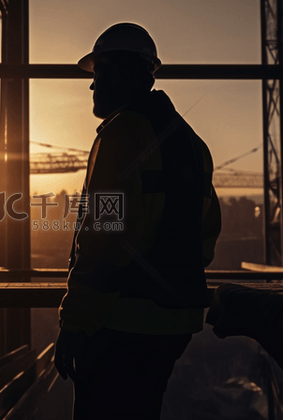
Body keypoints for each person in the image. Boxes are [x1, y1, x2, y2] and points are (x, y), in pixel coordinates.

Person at [54, 23, 221, 420]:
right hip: (174, 320)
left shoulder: (123, 133)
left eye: (97, 75)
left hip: (123, 323)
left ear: (117, 74)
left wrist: (75, 323)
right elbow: (207, 234)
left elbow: (104, 238)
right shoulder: (190, 140)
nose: (92, 88)